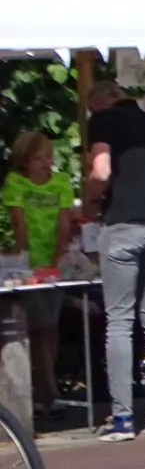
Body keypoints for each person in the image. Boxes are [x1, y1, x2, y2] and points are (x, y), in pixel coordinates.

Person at [82, 79, 145, 442]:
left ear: (102, 101)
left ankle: (122, 418)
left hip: (122, 225)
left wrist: (90, 199)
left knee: (119, 320)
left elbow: (102, 171)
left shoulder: (103, 122)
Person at [3, 131, 79, 418]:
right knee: (36, 327)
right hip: (29, 263)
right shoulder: (15, 183)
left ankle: (48, 388)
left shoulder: (60, 182)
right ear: (24, 162)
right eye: (38, 158)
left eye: (48, 156)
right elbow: (19, 226)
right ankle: (48, 389)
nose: (46, 163)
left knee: (51, 325)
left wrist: (57, 261)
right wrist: (23, 262)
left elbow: (64, 224)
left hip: (54, 262)